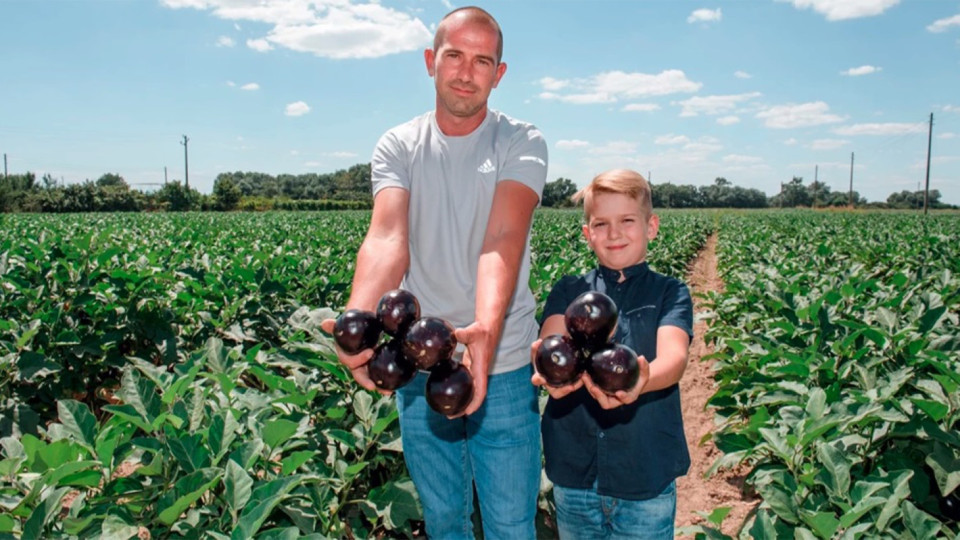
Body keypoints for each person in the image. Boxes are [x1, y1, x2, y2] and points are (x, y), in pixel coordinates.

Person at [321, 6, 548, 539]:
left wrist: (485, 332)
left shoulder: (522, 141)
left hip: (507, 360)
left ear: (499, 72)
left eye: (482, 60)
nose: (466, 72)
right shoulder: (399, 145)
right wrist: (358, 317)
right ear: (430, 61)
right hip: (421, 365)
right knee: (445, 520)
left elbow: (502, 238)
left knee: (511, 523)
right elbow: (387, 238)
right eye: (454, 56)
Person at [530, 169, 693, 540]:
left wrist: (643, 378)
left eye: (627, 221)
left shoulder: (670, 292)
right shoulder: (569, 289)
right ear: (587, 235)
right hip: (575, 476)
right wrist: (552, 371)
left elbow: (674, 358)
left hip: (645, 475)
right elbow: (553, 340)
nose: (614, 233)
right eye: (601, 224)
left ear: (651, 227)